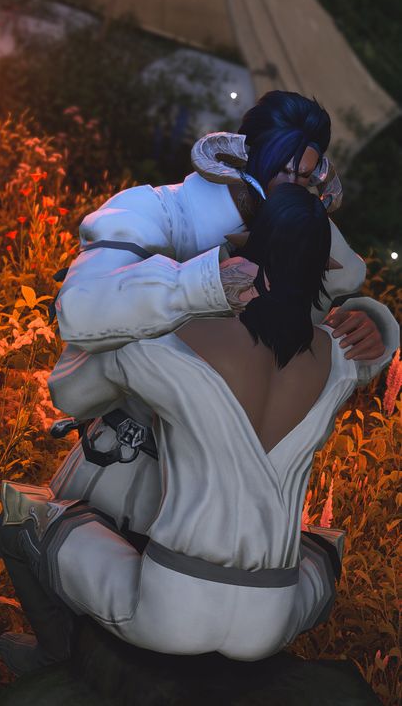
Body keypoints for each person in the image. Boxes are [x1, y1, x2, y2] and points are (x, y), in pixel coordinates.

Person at [0, 184, 399, 673]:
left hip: (168, 609)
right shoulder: (340, 360)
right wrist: (376, 320)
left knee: (23, 517)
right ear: (323, 270)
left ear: (250, 254)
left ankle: (52, 656)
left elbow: (71, 392)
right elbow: (374, 351)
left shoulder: (173, 341)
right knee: (322, 547)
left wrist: (142, 301)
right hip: (270, 620)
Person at [47, 91, 387, 533]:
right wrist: (202, 284)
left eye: (304, 178)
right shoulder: (157, 211)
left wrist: (369, 323)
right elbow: (80, 308)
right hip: (123, 475)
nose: (291, 188)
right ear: (245, 159)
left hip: (231, 509)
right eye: (281, 171)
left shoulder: (312, 240)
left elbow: (321, 320)